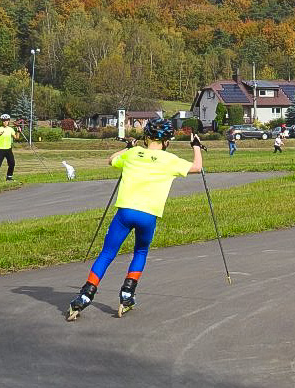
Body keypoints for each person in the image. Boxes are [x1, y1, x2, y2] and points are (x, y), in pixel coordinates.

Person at [66, 118, 203, 321]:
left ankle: (85, 295)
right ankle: (127, 295)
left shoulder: (132, 154)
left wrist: (130, 147)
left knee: (107, 254)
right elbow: (197, 167)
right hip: (148, 215)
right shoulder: (170, 159)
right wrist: (196, 146)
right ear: (167, 141)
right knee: (140, 251)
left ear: (146, 137)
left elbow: (112, 160)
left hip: (125, 212)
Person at [0, 113, 20, 182]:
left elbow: (16, 138)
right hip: (0, 149)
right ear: (2, 121)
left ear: (8, 121)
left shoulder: (11, 129)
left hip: (8, 149)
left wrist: (18, 131)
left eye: (6, 120)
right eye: (4, 121)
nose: (5, 122)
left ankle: (9, 177)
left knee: (12, 163)